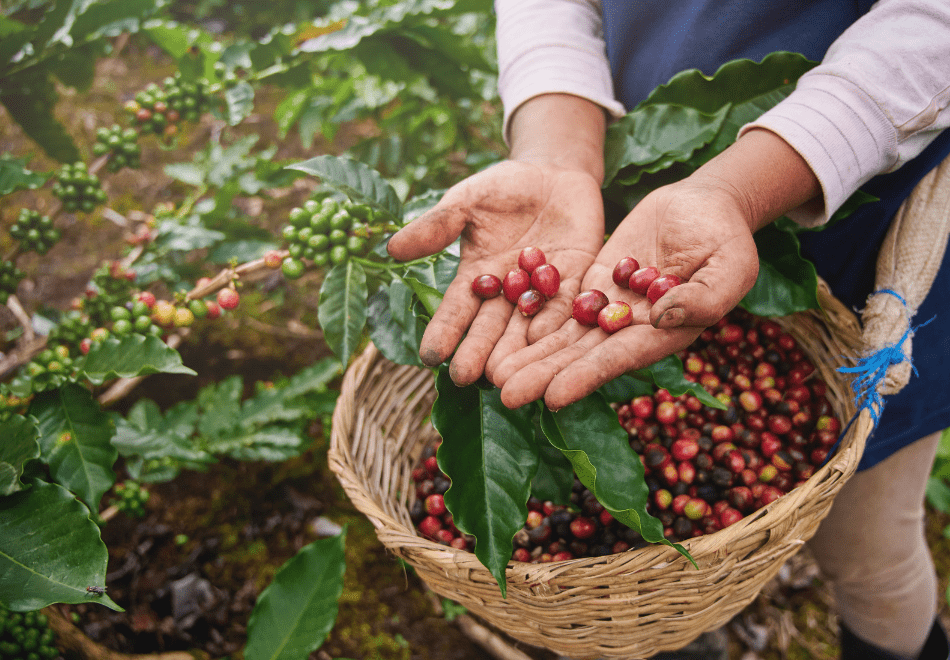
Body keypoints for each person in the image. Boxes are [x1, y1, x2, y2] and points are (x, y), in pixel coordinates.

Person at [386, 1, 950, 659]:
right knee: (670, 511)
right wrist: (558, 149)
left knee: (871, 551)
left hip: (870, 214)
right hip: (638, 200)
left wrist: (740, 189)